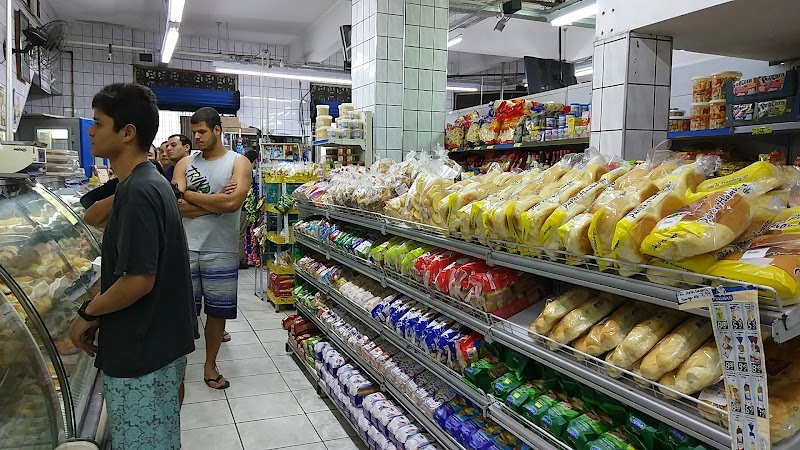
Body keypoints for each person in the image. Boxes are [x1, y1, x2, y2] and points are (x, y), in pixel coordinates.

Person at [68, 83, 197, 448]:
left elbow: (139, 280)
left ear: (127, 133)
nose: (90, 131)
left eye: (98, 123)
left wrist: (87, 313)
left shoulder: (139, 192)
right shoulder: (144, 183)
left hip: (143, 353)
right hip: (157, 342)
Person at [172, 107, 252, 390]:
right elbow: (175, 204)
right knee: (183, 311)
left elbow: (232, 204)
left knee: (217, 312)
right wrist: (213, 202)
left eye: (202, 131)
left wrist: (195, 199)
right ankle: (178, 367)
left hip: (222, 248)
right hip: (187, 248)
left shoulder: (238, 163)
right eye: (194, 132)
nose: (197, 137)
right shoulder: (184, 163)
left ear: (217, 130)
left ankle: (210, 365)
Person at [239, 149, 259, 269]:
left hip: (240, 205)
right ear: (255, 160)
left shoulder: (240, 167)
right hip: (242, 206)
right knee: (241, 234)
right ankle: (240, 260)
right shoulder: (247, 171)